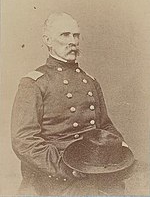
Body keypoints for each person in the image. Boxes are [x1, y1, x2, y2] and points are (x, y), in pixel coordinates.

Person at [11, 12, 134, 196]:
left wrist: (120, 147)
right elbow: (23, 140)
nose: (73, 41)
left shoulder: (90, 81)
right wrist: (64, 167)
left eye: (76, 35)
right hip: (55, 176)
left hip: (95, 167)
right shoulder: (34, 83)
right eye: (65, 35)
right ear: (48, 41)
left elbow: (104, 125)